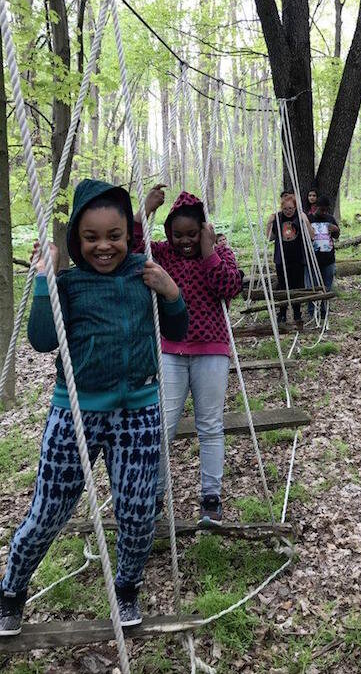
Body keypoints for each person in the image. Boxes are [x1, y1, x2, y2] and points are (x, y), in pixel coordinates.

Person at [0, 180, 188, 636]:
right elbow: (43, 340)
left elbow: (177, 331)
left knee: (139, 512)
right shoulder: (69, 283)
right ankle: (11, 591)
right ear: (77, 241)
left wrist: (170, 292)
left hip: (139, 412)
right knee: (48, 512)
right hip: (76, 415)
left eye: (115, 235)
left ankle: (127, 588)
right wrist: (44, 282)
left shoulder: (143, 275)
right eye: (91, 238)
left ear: (129, 234)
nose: (104, 246)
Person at [133, 186, 242, 526]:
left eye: (192, 234)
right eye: (178, 234)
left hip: (211, 349)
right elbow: (133, 251)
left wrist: (209, 251)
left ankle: (211, 498)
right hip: (170, 350)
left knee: (209, 425)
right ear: (169, 233)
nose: (185, 241)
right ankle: (155, 496)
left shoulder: (220, 253)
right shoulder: (163, 255)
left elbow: (229, 288)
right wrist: (144, 212)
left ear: (204, 231)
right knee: (161, 426)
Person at [266, 194, 314, 327]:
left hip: (298, 258)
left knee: (297, 286)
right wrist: (270, 222)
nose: (288, 211)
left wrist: (306, 221)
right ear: (282, 208)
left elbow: (312, 236)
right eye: (286, 209)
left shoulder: (300, 217)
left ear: (295, 207)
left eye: (291, 208)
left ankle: (297, 314)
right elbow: (269, 237)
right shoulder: (278, 218)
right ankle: (282, 313)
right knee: (283, 286)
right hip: (281, 258)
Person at [305, 195, 340, 319]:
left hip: (328, 258)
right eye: (321, 209)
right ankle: (312, 310)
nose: (323, 212)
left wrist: (335, 229)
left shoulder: (330, 218)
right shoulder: (309, 219)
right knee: (312, 286)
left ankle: (324, 309)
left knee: (327, 285)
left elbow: (336, 235)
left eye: (325, 209)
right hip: (312, 259)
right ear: (316, 207)